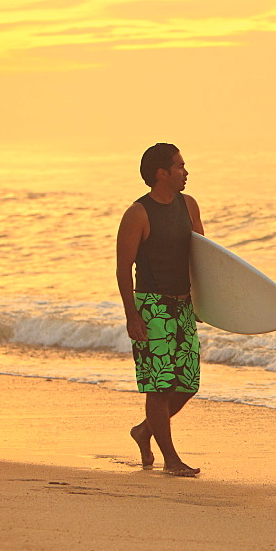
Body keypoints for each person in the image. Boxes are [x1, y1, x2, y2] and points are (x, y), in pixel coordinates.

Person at [116, 143, 205, 477]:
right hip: (152, 307)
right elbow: (123, 268)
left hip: (183, 304)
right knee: (159, 385)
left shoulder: (189, 205)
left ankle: (144, 431)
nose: (186, 172)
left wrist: (204, 303)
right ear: (161, 173)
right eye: (179, 166)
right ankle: (171, 459)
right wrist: (131, 315)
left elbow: (204, 259)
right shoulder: (138, 214)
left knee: (187, 383)